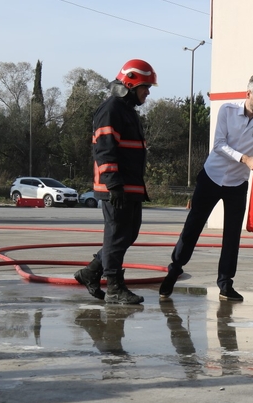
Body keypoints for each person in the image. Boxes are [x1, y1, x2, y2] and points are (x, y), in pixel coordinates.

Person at [159, 74, 253, 301]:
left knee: (232, 236)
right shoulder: (227, 110)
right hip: (211, 178)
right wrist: (246, 158)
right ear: (248, 94)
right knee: (193, 227)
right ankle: (174, 272)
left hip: (237, 184)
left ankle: (225, 284)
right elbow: (219, 145)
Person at [74, 59, 156, 305]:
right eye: (145, 87)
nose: (148, 92)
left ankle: (90, 272)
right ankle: (114, 287)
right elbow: (104, 149)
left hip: (130, 186)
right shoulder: (111, 109)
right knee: (117, 235)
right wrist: (114, 185)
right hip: (117, 187)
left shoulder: (126, 110)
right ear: (130, 84)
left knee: (128, 234)